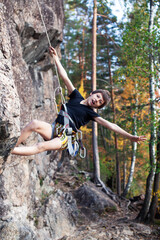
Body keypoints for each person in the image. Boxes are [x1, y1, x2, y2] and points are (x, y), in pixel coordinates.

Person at [11, 47, 146, 156]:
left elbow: (111, 125)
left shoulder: (90, 113)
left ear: (98, 107)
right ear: (92, 93)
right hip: (54, 129)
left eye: (100, 102)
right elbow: (65, 78)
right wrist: (56, 59)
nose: (97, 100)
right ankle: (12, 145)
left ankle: (8, 152)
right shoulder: (76, 96)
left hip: (65, 137)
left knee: (41, 146)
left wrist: (130, 137)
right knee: (34, 124)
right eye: (98, 97)